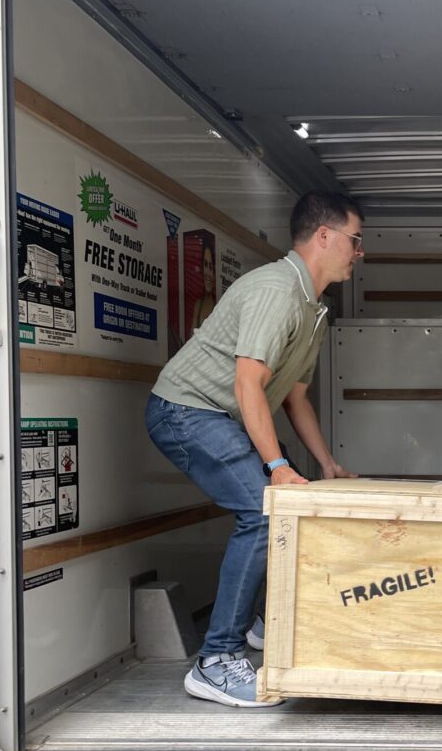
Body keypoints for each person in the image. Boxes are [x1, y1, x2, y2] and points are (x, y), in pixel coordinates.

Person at [145, 191, 363, 707]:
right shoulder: (275, 290)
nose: (359, 253)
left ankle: (265, 624)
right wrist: (278, 466)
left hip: (225, 416)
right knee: (263, 511)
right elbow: (249, 385)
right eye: (356, 241)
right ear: (324, 237)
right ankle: (215, 661)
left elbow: (294, 396)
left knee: (289, 504)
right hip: (187, 410)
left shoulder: (313, 309)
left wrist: (326, 465)